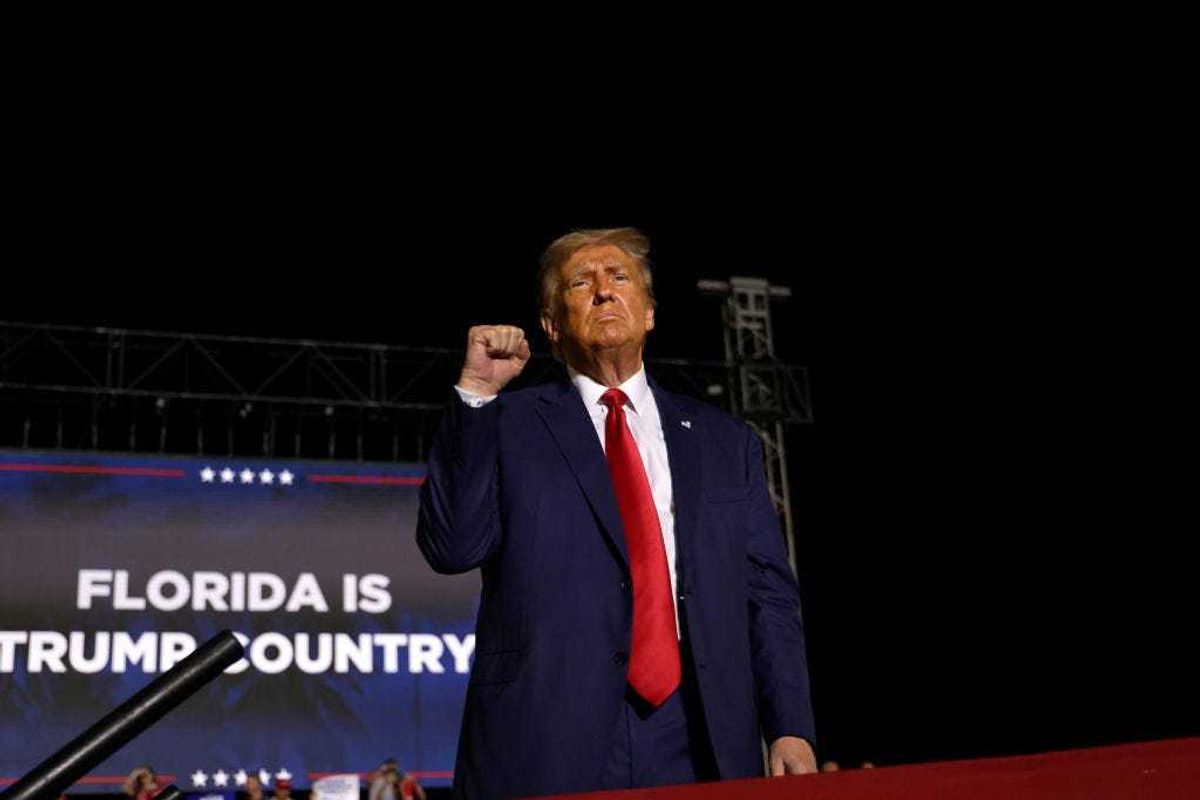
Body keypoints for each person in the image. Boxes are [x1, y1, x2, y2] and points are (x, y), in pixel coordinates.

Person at [417, 228, 816, 798]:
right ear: (552, 326)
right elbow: (452, 546)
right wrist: (478, 391)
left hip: (699, 732)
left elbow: (768, 594)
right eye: (582, 283)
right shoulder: (506, 425)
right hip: (546, 734)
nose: (605, 292)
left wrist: (790, 726)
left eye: (620, 278)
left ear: (650, 313)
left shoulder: (725, 443)